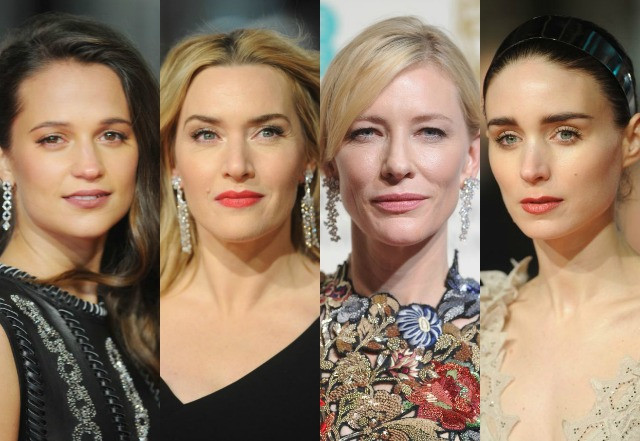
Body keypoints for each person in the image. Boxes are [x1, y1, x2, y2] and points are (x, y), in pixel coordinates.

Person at [320, 16, 481, 440]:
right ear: (329, 163)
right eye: (366, 133)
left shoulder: (514, 333)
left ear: (470, 158)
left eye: (429, 132)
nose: (397, 164)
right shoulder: (286, 326)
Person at [0, 12, 159, 441]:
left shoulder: (145, 310)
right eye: (53, 138)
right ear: (5, 160)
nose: (89, 166)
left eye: (112, 135)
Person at [481, 15, 640, 441]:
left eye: (565, 133)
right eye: (508, 138)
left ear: (630, 140)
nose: (531, 169)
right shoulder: (471, 322)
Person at [158, 28, 320, 439]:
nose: (236, 165)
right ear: (172, 160)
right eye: (206, 134)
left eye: (267, 132)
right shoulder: (122, 319)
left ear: (309, 156)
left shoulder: (360, 328)